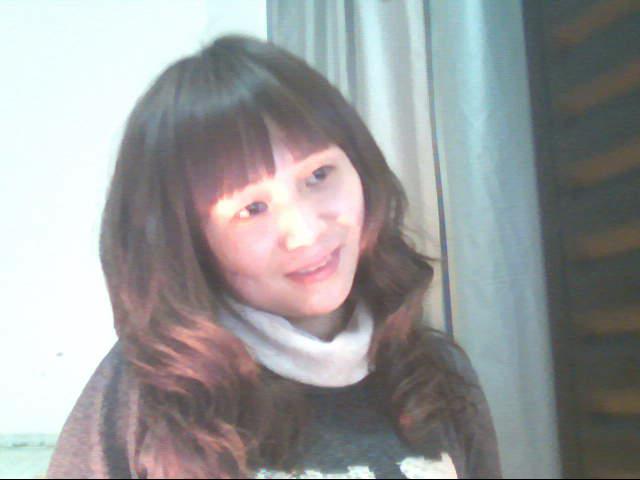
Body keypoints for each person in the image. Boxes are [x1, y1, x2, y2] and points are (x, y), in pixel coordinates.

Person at [47, 35, 501, 479]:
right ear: (190, 241)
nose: (305, 233)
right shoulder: (145, 394)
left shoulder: (434, 372)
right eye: (252, 209)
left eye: (319, 175)